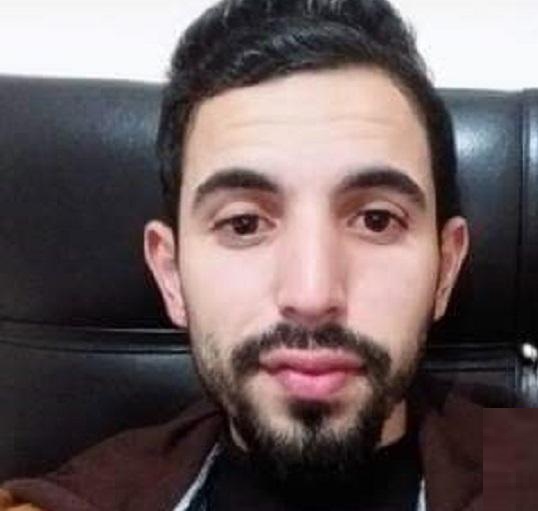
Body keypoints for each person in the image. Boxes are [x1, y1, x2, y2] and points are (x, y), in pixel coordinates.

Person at [0, 0, 480, 509]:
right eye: (244, 224)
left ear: (446, 269)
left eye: (376, 220)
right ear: (170, 275)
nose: (311, 296)